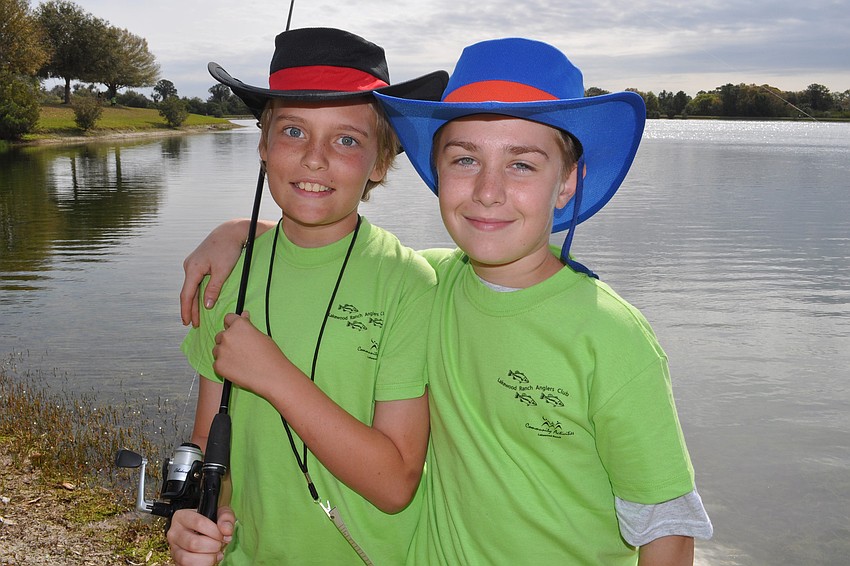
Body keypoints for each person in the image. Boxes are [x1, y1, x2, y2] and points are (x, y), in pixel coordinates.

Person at [180, 38, 713, 565]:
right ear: (437, 170)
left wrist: (273, 369)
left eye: (522, 165)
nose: (487, 191)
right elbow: (323, 251)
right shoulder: (438, 281)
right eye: (464, 160)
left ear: (568, 180)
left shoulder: (611, 335)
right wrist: (238, 231)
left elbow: (665, 524)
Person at [167, 27, 448, 566]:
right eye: (293, 131)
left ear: (382, 162)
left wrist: (274, 375)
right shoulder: (224, 278)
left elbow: (395, 484)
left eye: (347, 139)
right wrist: (198, 520)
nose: (315, 158)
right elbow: (208, 443)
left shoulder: (408, 285)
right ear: (263, 148)